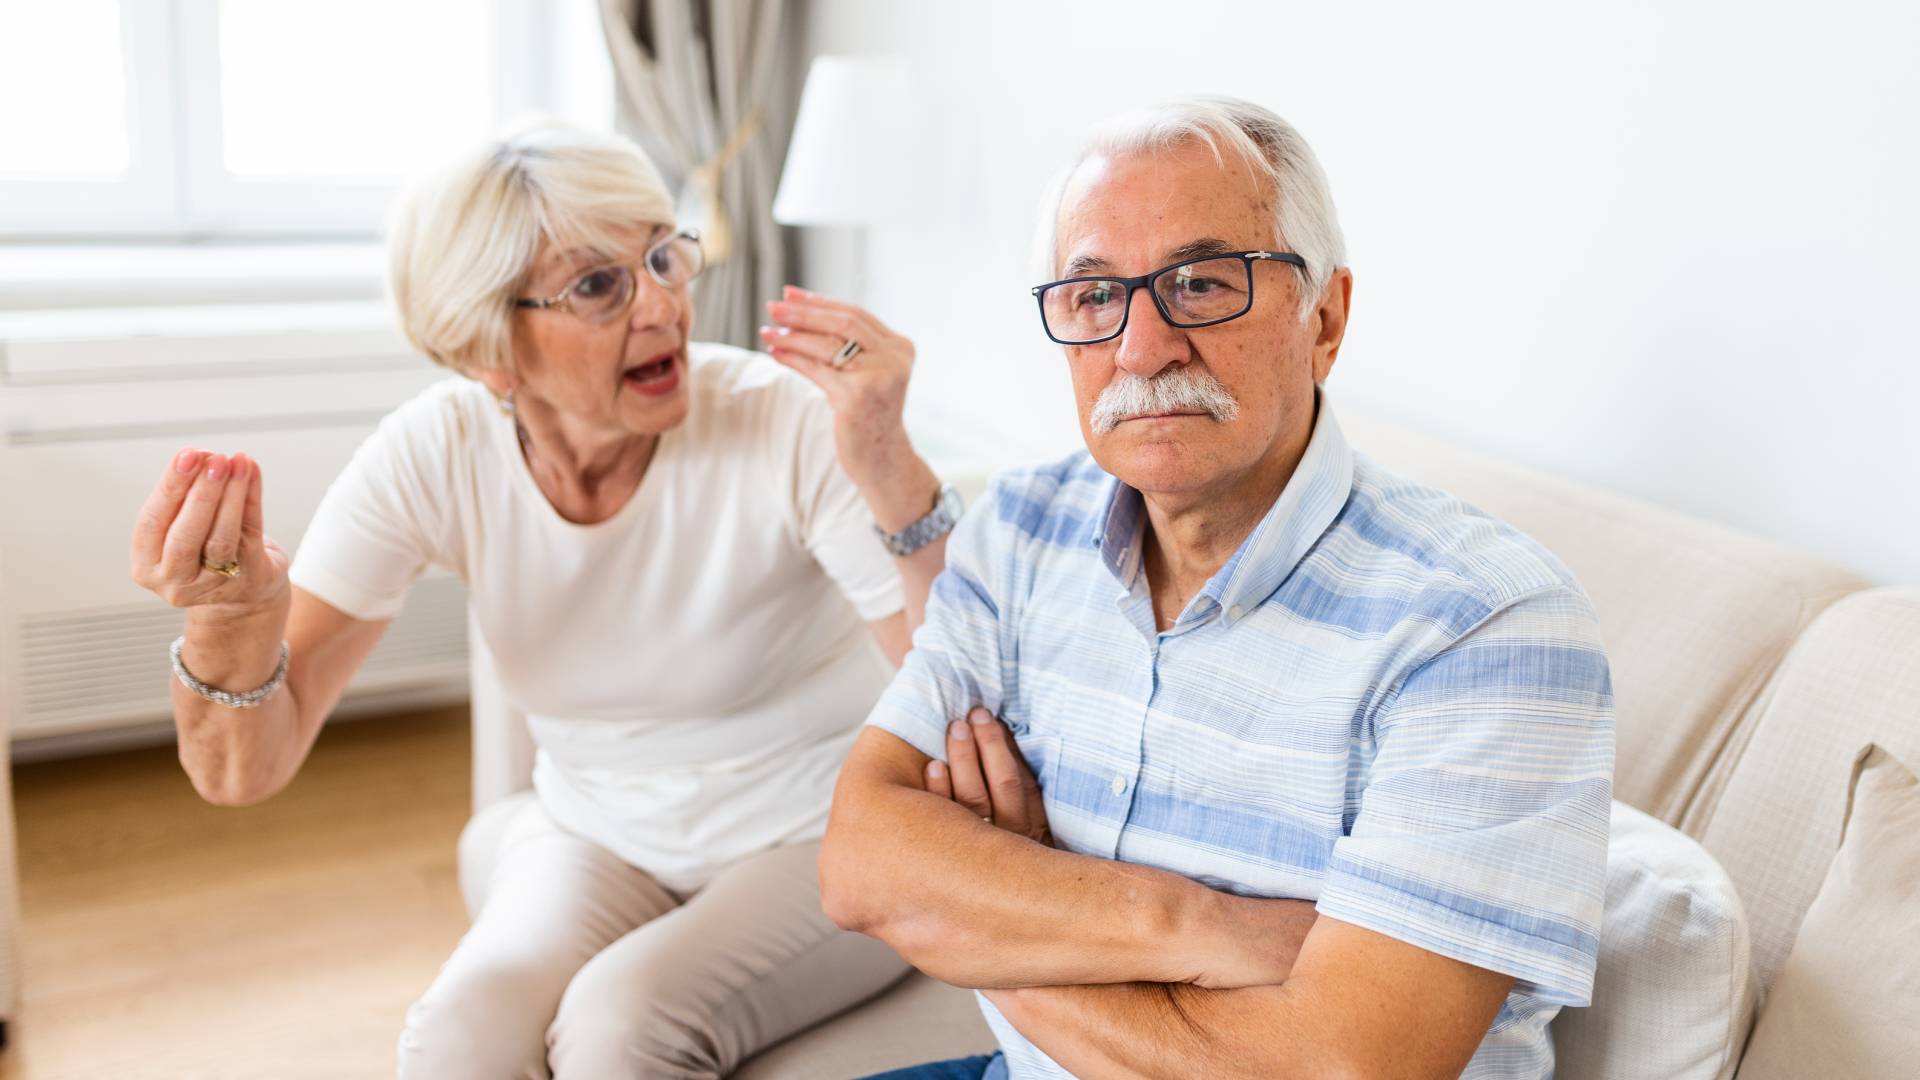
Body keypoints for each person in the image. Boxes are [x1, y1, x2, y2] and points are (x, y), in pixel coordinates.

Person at [128, 120, 962, 1078]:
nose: (663, 306)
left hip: (822, 833)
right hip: (598, 835)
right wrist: (232, 617)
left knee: (620, 1027)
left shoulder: (782, 422)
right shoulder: (433, 452)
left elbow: (956, 692)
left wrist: (892, 466)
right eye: (599, 285)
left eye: (661, 256)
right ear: (492, 350)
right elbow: (244, 771)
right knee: (454, 1037)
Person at [821, 96, 1616, 1080]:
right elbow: (860, 861)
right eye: (1093, 295)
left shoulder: (1487, 626)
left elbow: (1336, 1068)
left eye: (1201, 284)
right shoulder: (1021, 526)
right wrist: (1199, 926)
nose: (1142, 348)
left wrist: (989, 909)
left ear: (1324, 319)